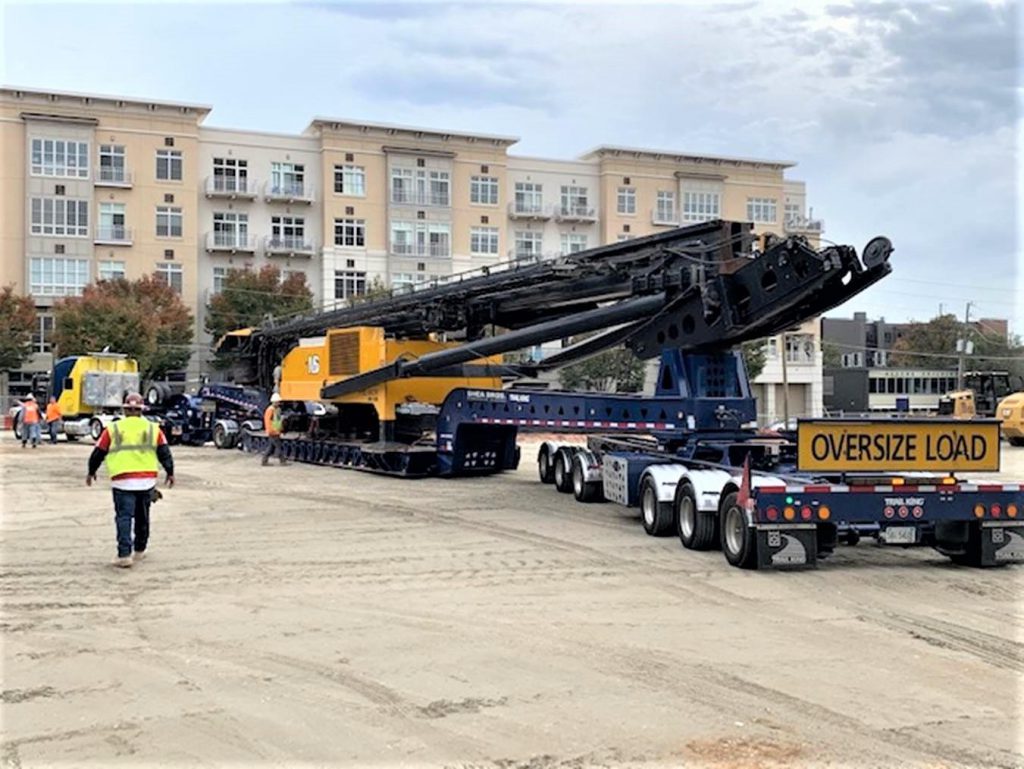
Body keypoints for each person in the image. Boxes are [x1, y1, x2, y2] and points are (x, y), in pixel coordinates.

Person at [86, 392, 175, 568]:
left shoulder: (113, 429)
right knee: (143, 517)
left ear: (125, 410)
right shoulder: (153, 428)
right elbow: (164, 452)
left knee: (124, 517)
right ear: (141, 409)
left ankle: (124, 555)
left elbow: (98, 452)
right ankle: (140, 550)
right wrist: (170, 472)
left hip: (122, 480)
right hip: (146, 481)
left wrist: (91, 471)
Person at [262, 392, 288, 466]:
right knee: (278, 446)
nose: (279, 403)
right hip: (273, 432)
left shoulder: (277, 409)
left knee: (271, 447)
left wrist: (281, 429)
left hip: (276, 431)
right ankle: (282, 461)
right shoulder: (270, 410)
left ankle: (264, 461)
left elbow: (278, 421)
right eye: (277, 402)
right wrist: (271, 430)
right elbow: (267, 421)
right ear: (274, 402)